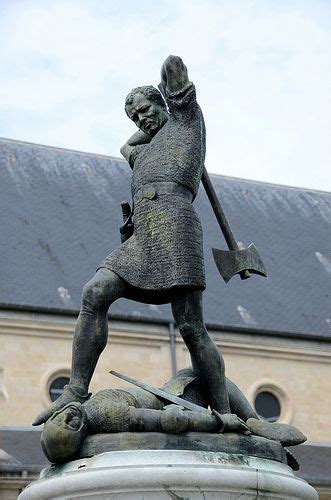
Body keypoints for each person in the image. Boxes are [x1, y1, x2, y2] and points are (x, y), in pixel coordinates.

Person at [33, 55, 230, 426]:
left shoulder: (187, 123)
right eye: (134, 117)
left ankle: (224, 413)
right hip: (143, 235)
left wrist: (170, 105)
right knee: (94, 292)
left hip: (176, 228)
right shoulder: (142, 151)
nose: (141, 120)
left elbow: (174, 66)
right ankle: (75, 391)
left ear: (162, 102)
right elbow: (127, 147)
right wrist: (148, 123)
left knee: (190, 326)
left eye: (144, 110)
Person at [41, 367, 306, 463]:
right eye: (70, 426)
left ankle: (254, 425)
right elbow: (169, 421)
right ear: (80, 431)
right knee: (207, 373)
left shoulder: (82, 410)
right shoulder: (107, 414)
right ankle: (253, 422)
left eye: (58, 418)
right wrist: (221, 421)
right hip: (176, 400)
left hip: (167, 393)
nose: (67, 417)